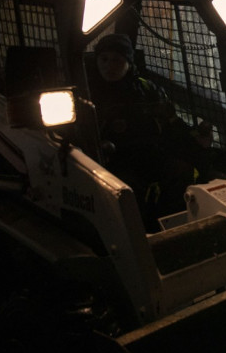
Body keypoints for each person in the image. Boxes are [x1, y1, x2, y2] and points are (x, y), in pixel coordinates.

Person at [89, 33, 210, 230]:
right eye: (104, 59)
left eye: (117, 60)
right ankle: (136, 233)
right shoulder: (87, 93)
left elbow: (172, 123)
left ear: (128, 62)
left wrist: (195, 138)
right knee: (127, 187)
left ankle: (171, 226)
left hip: (149, 155)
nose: (109, 66)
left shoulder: (147, 90)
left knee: (182, 171)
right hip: (111, 162)